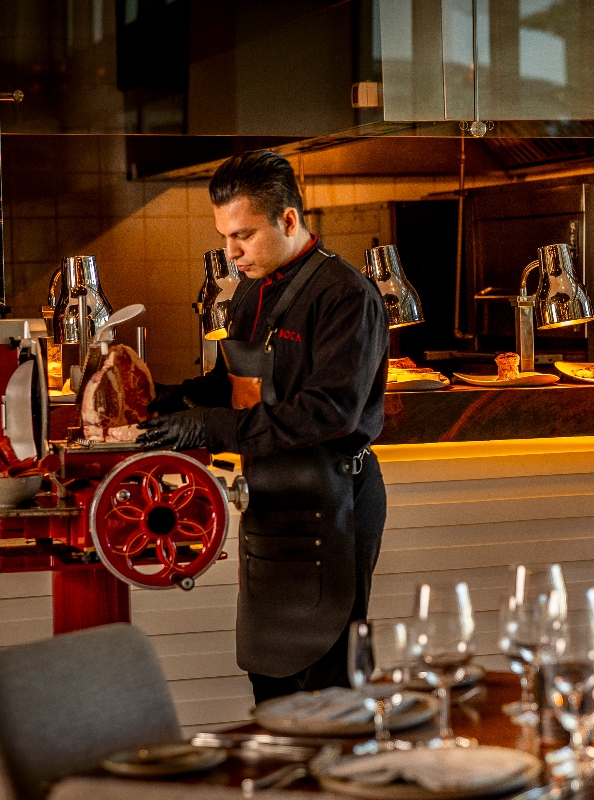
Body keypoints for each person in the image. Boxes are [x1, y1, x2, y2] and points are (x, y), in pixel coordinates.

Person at [137, 150, 389, 704]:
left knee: (327, 677)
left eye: (243, 235)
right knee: (270, 671)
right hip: (271, 495)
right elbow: (235, 381)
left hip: (334, 495)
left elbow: (330, 411)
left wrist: (210, 428)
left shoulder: (346, 294)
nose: (231, 252)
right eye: (225, 237)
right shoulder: (252, 289)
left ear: (289, 220)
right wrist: (172, 400)